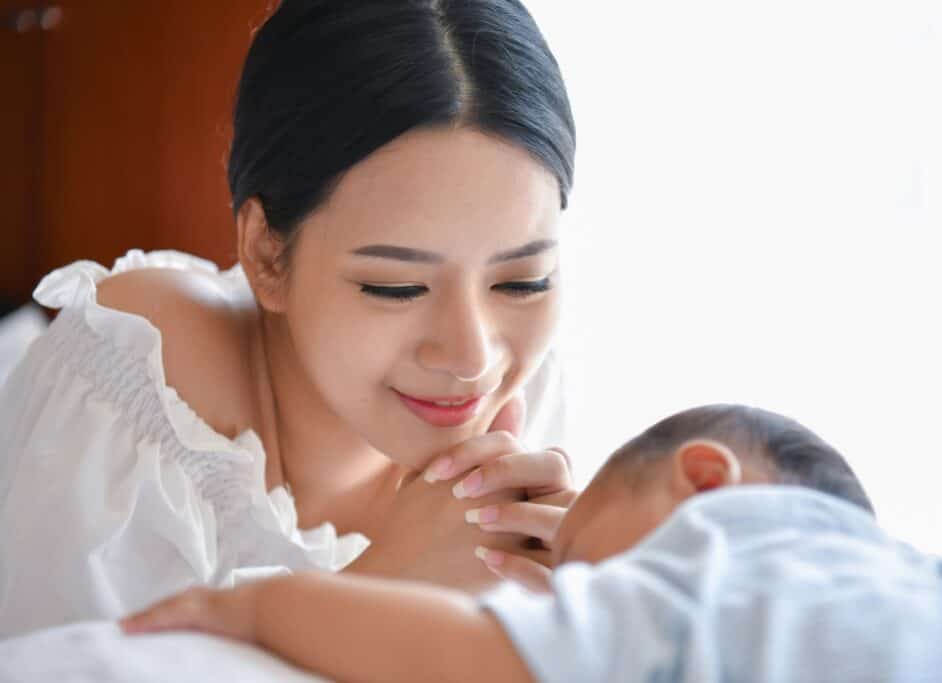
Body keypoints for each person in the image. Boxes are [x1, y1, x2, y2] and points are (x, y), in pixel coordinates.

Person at [0, 0, 577, 639]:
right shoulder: (136, 383)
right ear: (267, 257)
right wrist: (384, 590)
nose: (475, 358)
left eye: (522, 280)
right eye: (398, 286)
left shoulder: (526, 392)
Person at [123, 404, 942, 683]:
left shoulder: (711, 571)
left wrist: (254, 601)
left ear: (705, 482)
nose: (570, 593)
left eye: (589, 572)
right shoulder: (938, 588)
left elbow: (460, 657)